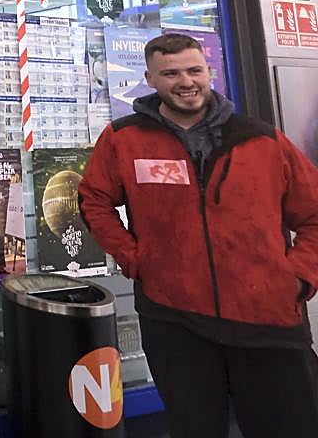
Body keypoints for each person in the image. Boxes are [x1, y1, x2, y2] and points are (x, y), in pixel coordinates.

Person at [78, 32, 318, 438]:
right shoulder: (124, 140)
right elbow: (93, 201)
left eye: (194, 70)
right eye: (170, 73)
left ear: (210, 72)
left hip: (268, 319)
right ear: (150, 79)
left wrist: (296, 276)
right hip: (175, 321)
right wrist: (135, 259)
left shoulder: (261, 140)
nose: (186, 82)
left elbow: (313, 214)